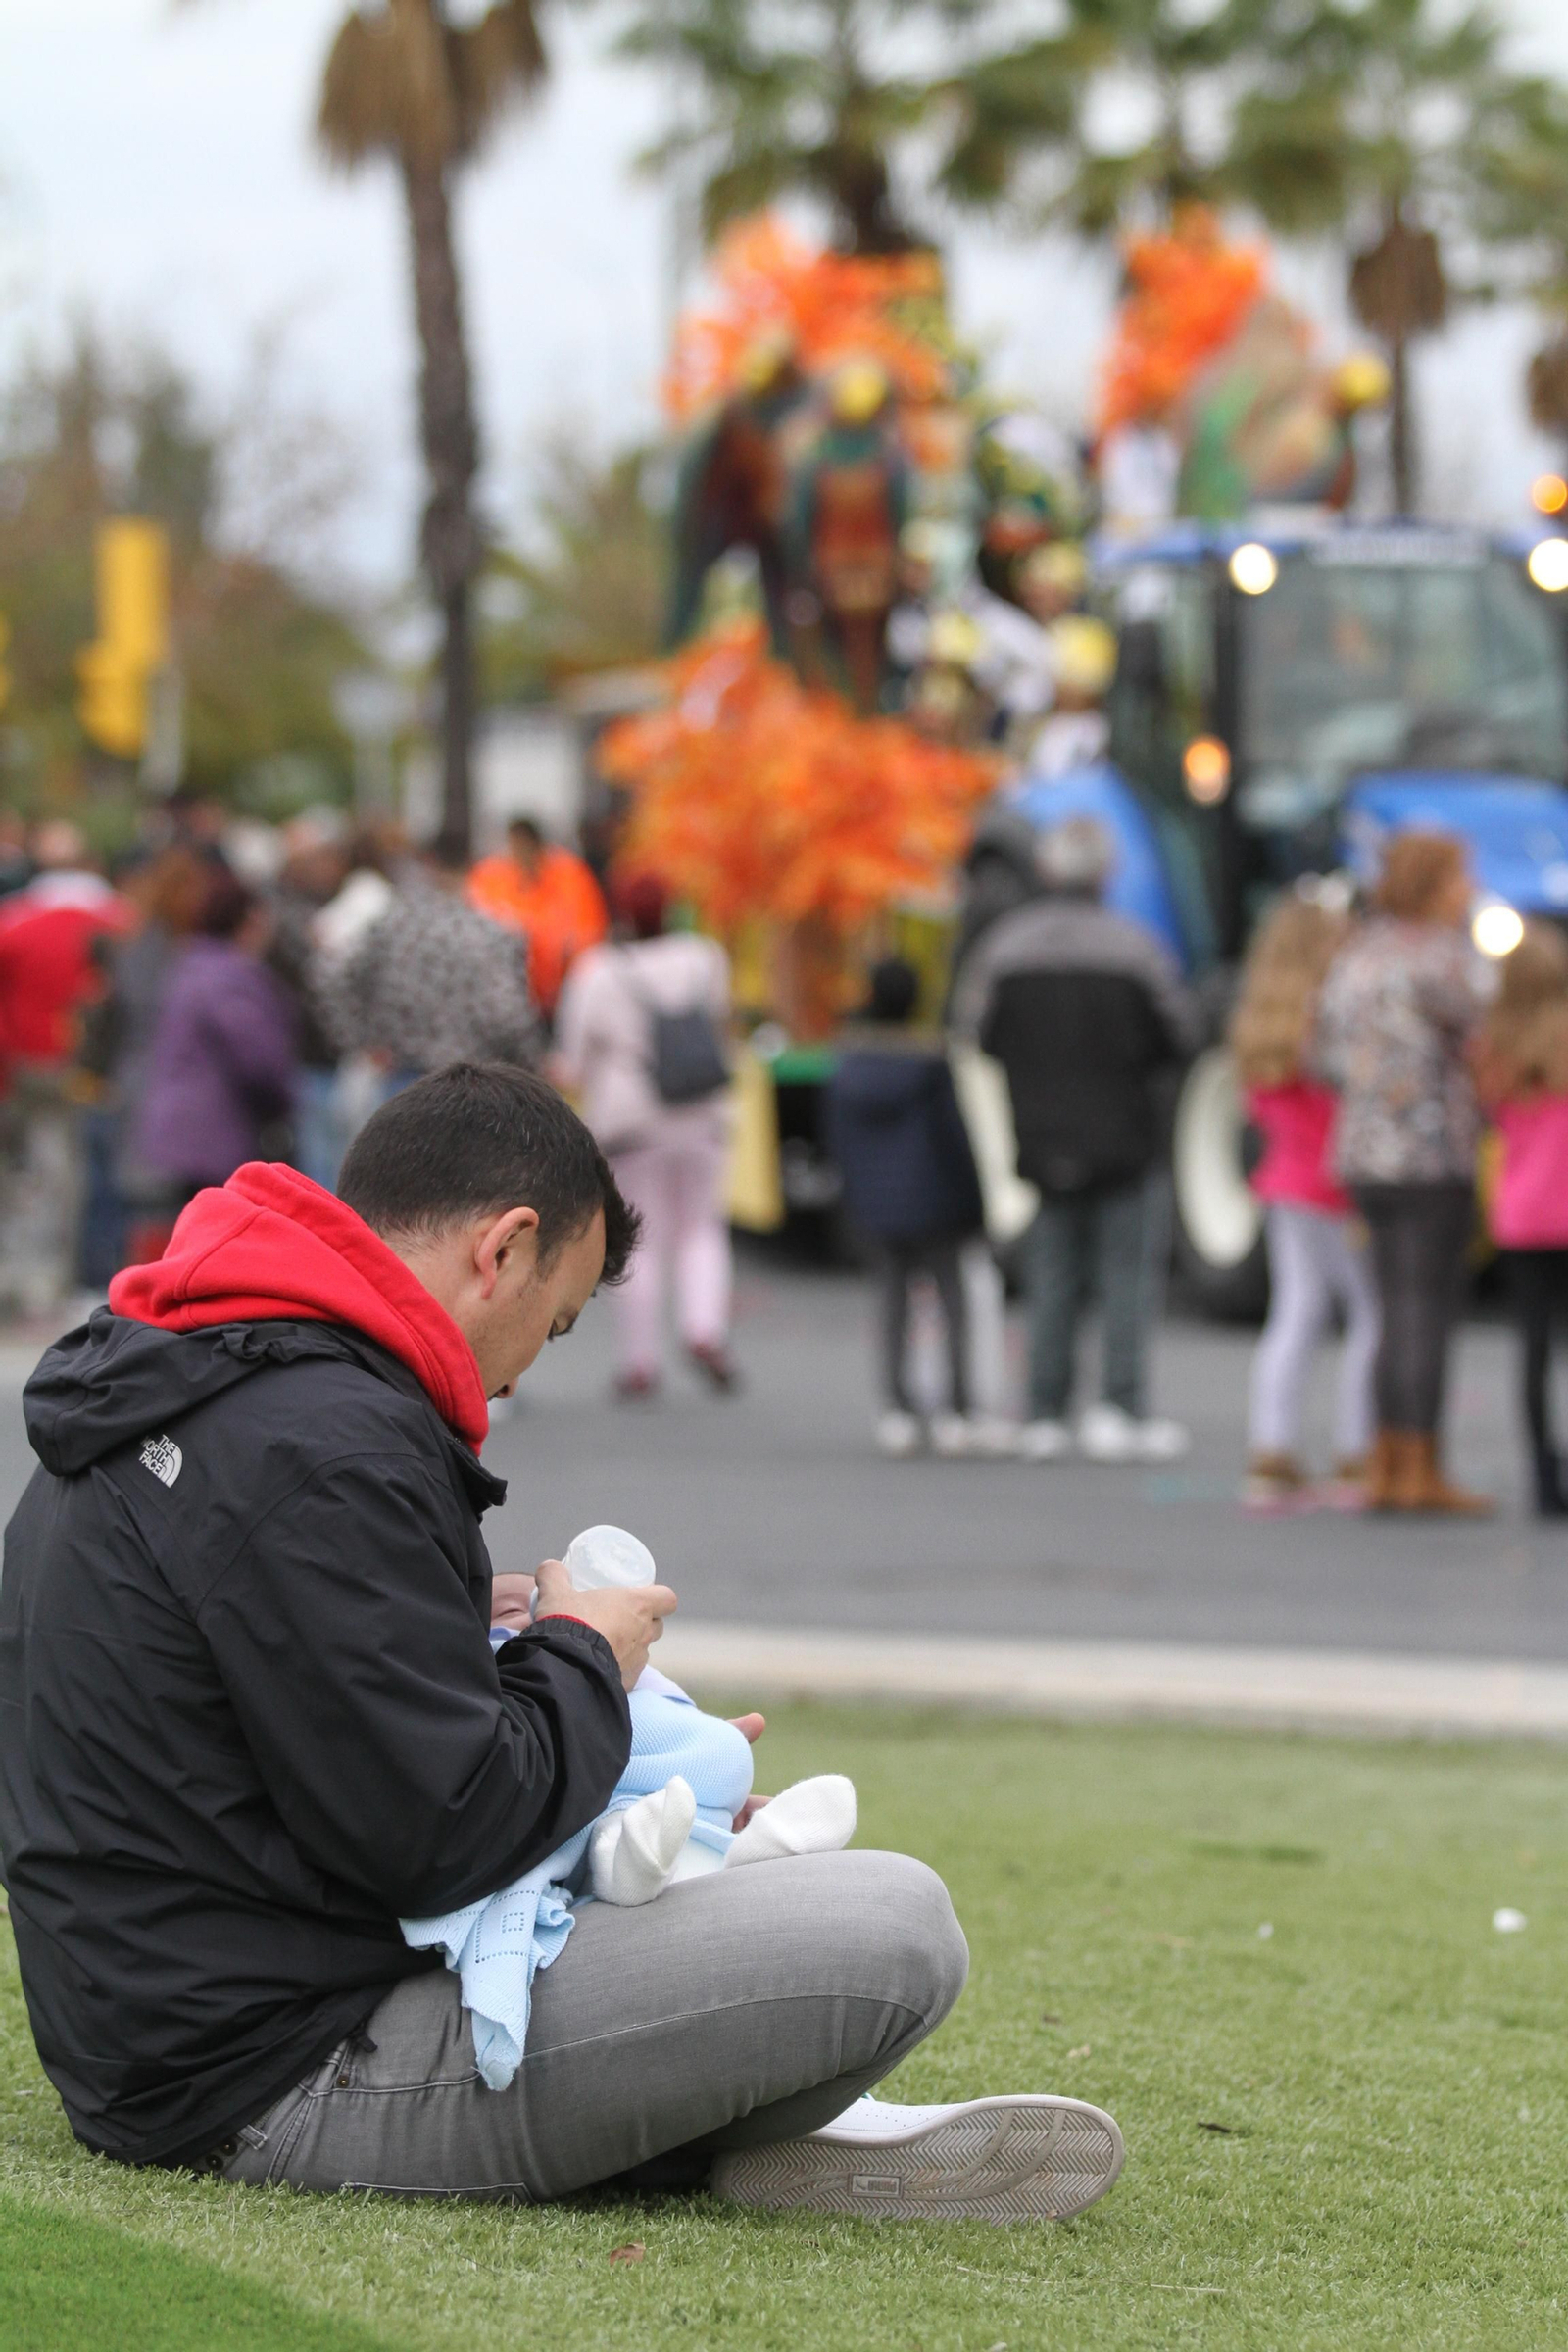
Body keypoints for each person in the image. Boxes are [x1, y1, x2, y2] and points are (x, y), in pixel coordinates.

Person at [0, 1063, 1123, 2222]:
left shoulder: (205, 1372)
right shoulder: (331, 1442)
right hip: (270, 2074)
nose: (532, 1360)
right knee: (896, 1927)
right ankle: (730, 2123)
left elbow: (285, 1741)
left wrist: (488, 1661)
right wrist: (585, 1655)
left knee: (728, 1888)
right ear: (505, 1249)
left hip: (158, 2031)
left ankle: (729, 2114)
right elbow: (445, 1833)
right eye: (558, 1315)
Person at [951, 815, 1198, 1462]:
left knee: (1050, 1278)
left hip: (1040, 1134)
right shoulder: (1136, 949)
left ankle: (1044, 1409)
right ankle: (1120, 1405)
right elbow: (1179, 1037)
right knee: (1125, 1278)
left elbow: (977, 1034)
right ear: (1105, 876)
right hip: (1124, 1134)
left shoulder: (1005, 949)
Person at [1317, 830, 1490, 1514]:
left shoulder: (1358, 955)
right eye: (1460, 877)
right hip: (1429, 1151)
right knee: (1428, 1309)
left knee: (1391, 1307)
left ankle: (1386, 1459)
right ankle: (1422, 1463)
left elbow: (1323, 1050)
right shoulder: (1442, 958)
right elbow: (1486, 1025)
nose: (1469, 890)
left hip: (1363, 1151)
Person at [553, 873, 737, 1398]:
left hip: (631, 1120)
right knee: (702, 1228)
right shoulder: (706, 958)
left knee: (639, 1238)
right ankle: (705, 1330)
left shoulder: (599, 972)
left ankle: (639, 1361)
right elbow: (719, 1023)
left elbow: (574, 1059)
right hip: (702, 1112)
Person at [1229, 887, 1379, 1512]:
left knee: (1296, 1312)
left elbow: (1255, 1109)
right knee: (1372, 1315)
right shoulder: (1329, 1024)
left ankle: (1273, 1445)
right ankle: (1355, 1448)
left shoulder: (1263, 1022)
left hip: (1283, 1182)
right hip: (1335, 1187)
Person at [826, 956, 989, 1458]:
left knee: (893, 1303)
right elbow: (954, 1138)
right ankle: (957, 1410)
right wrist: (976, 1203)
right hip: (935, 1197)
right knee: (952, 1302)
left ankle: (898, 1409)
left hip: (878, 1202)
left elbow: (838, 1140)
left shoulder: (848, 1064)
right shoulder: (929, 1062)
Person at [0, 822, 130, 1315]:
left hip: (22, 1063)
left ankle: (18, 1277)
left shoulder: (13, 922)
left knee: (20, 1175)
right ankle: (60, 1279)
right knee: (71, 1175)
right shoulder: (118, 919)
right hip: (87, 1066)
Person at [1471, 922, 1568, 1516]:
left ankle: (1542, 1474)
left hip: (1522, 1215)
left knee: (1534, 1346)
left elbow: (1489, 1118)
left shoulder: (1495, 1047)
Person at [131, 870, 298, 1214]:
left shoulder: (191, 966)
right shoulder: (230, 978)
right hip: (216, 1131)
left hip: (182, 1127)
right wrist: (282, 1106)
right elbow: (258, 1060)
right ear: (249, 920)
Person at [320, 841, 544, 1088]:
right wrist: (532, 1067)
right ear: (472, 864)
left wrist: (361, 1044)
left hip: (400, 1080)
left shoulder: (393, 923)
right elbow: (507, 1015)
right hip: (467, 1084)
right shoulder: (489, 932)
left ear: (428, 862)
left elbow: (329, 974)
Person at [468, 818, 609, 1023]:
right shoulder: (491, 877)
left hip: (562, 992)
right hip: (513, 994)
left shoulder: (569, 876)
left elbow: (588, 932)